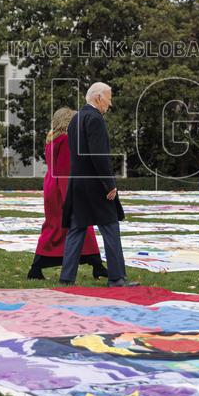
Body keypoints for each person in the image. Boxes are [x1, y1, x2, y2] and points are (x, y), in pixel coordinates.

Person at [59, 82, 138, 287]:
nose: (110, 104)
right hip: (95, 185)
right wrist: (109, 184)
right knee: (110, 227)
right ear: (98, 97)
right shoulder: (95, 119)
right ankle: (117, 277)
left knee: (77, 229)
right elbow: (99, 155)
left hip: (78, 183)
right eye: (109, 99)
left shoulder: (75, 119)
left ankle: (66, 277)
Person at [26, 108, 108, 280]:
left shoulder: (51, 139)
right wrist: (71, 197)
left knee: (55, 226)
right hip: (63, 188)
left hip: (52, 186)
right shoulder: (65, 140)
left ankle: (96, 265)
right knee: (76, 224)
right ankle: (95, 265)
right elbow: (65, 169)